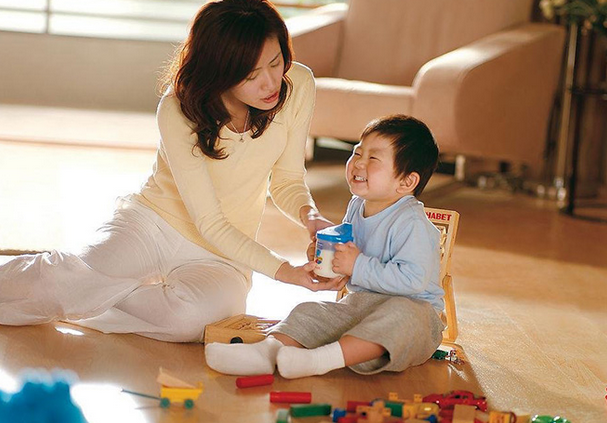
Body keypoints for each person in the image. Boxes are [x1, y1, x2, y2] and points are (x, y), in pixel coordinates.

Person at [0, 0, 345, 343]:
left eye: (275, 62)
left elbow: (287, 180)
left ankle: (88, 297)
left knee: (190, 321)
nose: (271, 83)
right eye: (251, 75)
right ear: (219, 72)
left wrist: (311, 217)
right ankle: (77, 291)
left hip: (224, 252)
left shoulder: (299, 84)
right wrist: (285, 271)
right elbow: (209, 222)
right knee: (64, 282)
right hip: (153, 225)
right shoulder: (178, 108)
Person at [205, 114, 445, 378]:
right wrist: (327, 259)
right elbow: (349, 254)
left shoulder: (412, 222)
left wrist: (357, 265)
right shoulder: (357, 205)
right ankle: (266, 352)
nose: (358, 163)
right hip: (362, 303)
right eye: (357, 153)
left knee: (401, 317)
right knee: (310, 311)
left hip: (415, 311)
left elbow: (413, 280)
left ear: (406, 182)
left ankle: (318, 360)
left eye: (373, 158)